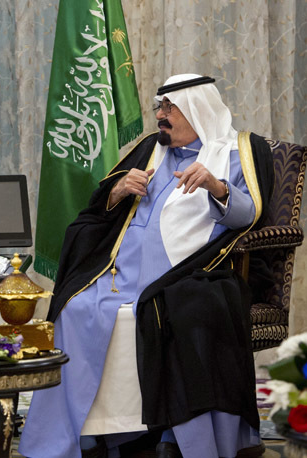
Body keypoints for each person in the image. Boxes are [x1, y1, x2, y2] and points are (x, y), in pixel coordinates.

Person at [18, 74, 274, 458]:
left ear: (197, 110)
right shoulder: (151, 149)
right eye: (160, 107)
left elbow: (250, 215)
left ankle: (172, 437)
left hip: (185, 273)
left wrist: (215, 186)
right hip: (118, 274)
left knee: (177, 314)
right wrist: (119, 190)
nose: (160, 116)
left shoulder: (238, 151)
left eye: (169, 108)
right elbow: (100, 205)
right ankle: (91, 435)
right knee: (74, 308)